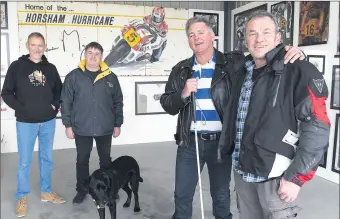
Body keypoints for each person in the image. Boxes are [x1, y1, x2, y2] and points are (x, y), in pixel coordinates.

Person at [159, 16, 304, 219]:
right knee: (182, 194)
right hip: (190, 143)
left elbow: (264, 57)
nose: (196, 38)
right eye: (191, 35)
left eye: (201, 33)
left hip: (221, 141)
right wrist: (183, 94)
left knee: (220, 194)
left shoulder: (233, 63)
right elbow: (167, 103)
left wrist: (294, 51)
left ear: (212, 36)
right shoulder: (180, 69)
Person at [218, 10, 330, 219]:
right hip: (243, 173)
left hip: (275, 178)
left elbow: (318, 128)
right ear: (246, 40)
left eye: (266, 32)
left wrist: (296, 178)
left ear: (278, 38)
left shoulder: (299, 71)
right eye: (252, 33)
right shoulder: (241, 71)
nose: (259, 39)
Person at [1, 32, 65, 218]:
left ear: (44, 47)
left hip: (47, 122)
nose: (37, 48)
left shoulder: (51, 68)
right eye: (33, 45)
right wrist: (22, 109)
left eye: (40, 45)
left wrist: (54, 106)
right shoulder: (17, 67)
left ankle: (46, 191)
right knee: (24, 162)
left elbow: (59, 91)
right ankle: (22, 196)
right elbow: (6, 93)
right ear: (27, 46)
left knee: (47, 159)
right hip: (26, 123)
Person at [60, 41, 123, 204]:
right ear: (85, 55)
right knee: (82, 160)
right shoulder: (74, 76)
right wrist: (67, 125)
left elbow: (118, 101)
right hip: (82, 127)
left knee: (106, 160)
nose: (93, 56)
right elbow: (65, 101)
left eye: (97, 53)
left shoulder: (111, 77)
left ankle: (109, 188)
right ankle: (82, 190)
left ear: (101, 57)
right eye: (90, 53)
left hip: (105, 127)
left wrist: (118, 124)